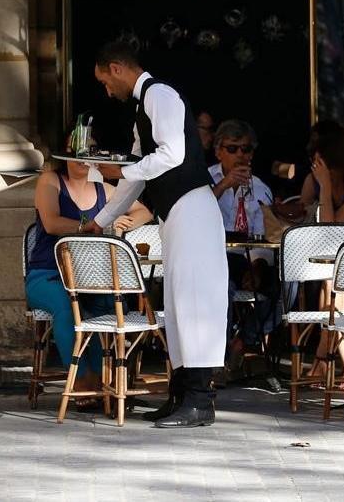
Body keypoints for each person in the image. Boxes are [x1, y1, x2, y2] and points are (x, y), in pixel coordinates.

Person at [85, 40, 228, 428]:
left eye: (103, 80)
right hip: (175, 212)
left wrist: (122, 172)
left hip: (193, 208)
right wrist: (101, 219)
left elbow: (172, 155)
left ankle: (200, 400)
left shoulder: (160, 94)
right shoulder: (141, 110)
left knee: (194, 300)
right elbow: (138, 175)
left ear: (116, 68)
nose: (105, 89)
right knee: (178, 302)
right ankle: (182, 393)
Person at [25, 148, 151, 407]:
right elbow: (51, 223)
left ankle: (110, 380)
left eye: (90, 152)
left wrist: (122, 223)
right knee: (67, 305)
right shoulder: (50, 180)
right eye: (77, 152)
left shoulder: (105, 189)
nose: (83, 159)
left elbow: (144, 212)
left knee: (108, 306)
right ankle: (82, 380)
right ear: (66, 156)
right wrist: (93, 225)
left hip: (87, 278)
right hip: (47, 274)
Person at [208, 119, 278, 360]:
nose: (240, 154)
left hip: (247, 256)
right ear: (218, 151)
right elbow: (196, 211)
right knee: (221, 288)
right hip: (215, 256)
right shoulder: (205, 180)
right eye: (232, 148)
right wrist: (225, 184)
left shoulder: (261, 188)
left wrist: (258, 266)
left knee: (282, 284)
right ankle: (219, 355)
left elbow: (266, 235)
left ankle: (245, 341)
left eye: (246, 149)